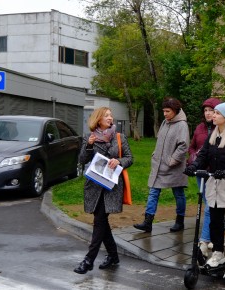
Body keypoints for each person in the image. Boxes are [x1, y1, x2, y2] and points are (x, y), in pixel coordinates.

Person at [184, 102, 225, 281]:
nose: (213, 115)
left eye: (217, 113)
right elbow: (203, 155)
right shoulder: (213, 136)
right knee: (215, 222)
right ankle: (218, 253)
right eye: (213, 112)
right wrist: (194, 167)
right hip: (216, 184)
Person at [74, 107, 133, 274]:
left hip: (111, 186)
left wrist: (119, 161)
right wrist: (89, 146)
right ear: (98, 119)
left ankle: (89, 260)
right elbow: (82, 160)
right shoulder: (90, 137)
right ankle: (113, 256)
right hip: (95, 185)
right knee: (101, 221)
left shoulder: (119, 137)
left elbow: (130, 158)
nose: (110, 117)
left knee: (99, 221)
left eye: (111, 115)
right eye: (106, 115)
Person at [134, 98, 190, 233]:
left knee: (178, 193)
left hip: (174, 167)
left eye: (167, 111)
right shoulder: (165, 122)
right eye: (163, 111)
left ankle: (180, 221)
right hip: (159, 165)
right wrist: (155, 155)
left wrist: (172, 160)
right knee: (153, 192)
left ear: (175, 111)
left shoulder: (182, 125)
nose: (164, 114)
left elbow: (183, 146)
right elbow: (160, 141)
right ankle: (148, 222)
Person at [187, 97, 221, 257]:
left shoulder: (221, 128)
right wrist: (194, 157)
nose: (207, 113)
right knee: (209, 205)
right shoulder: (200, 128)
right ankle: (218, 235)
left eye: (211, 110)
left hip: (214, 173)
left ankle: (204, 240)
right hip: (200, 171)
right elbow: (192, 146)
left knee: (210, 206)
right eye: (205, 110)